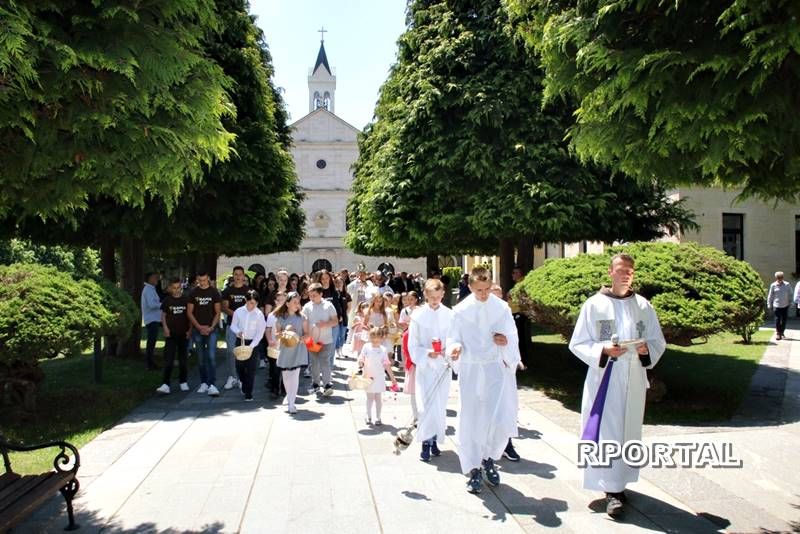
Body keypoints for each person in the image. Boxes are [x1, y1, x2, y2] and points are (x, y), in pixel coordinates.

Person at [568, 253, 666, 518]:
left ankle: (621, 482)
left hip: (633, 379)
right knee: (608, 432)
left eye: (630, 271)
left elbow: (658, 341)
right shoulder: (594, 305)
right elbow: (577, 343)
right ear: (610, 272)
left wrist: (646, 349)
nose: (626, 275)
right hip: (605, 380)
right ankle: (611, 490)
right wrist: (604, 351)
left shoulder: (643, 306)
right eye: (621, 270)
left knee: (628, 431)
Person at [447, 267, 519, 494]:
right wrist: (455, 348)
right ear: (470, 287)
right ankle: (473, 467)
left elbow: (512, 335)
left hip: (494, 368)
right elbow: (453, 337)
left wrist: (504, 340)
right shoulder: (460, 310)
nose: (484, 294)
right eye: (479, 290)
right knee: (471, 417)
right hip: (471, 369)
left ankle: (488, 457)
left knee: (493, 416)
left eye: (487, 289)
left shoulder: (501, 308)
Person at [408, 279, 454, 463]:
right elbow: (413, 343)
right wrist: (427, 353)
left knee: (439, 405)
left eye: (438, 297)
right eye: (431, 297)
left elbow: (454, 338)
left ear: (443, 295)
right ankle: (425, 442)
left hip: (442, 366)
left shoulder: (450, 315)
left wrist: (447, 350)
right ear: (425, 295)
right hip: (426, 367)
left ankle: (434, 438)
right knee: (425, 404)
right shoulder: (418, 316)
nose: (435, 300)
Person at [187, 272, 222, 396]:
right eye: (200, 280)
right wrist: (198, 327)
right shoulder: (193, 293)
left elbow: (218, 312)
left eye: (204, 280)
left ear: (208, 279)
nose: (202, 283)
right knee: (201, 358)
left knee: (211, 357)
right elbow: (190, 312)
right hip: (198, 330)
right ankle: (203, 382)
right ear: (197, 280)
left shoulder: (214, 292)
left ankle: (212, 383)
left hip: (211, 329)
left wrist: (211, 327)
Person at [274, 292, 309, 414]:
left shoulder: (302, 317)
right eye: (294, 302)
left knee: (294, 377)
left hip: (298, 349)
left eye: (298, 302)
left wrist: (301, 338)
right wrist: (286, 331)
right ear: (287, 303)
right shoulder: (280, 318)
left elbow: (307, 334)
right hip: (285, 350)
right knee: (287, 377)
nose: (297, 304)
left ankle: (291, 403)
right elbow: (277, 335)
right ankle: (289, 397)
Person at [229, 290, 266, 401]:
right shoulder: (239, 311)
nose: (252, 305)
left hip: (253, 344)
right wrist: (238, 332)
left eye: (255, 303)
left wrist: (252, 346)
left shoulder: (259, 314)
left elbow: (260, 332)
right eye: (250, 303)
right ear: (246, 301)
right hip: (240, 341)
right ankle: (242, 380)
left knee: (251, 368)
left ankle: (248, 392)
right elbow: (233, 325)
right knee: (239, 366)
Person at [156, 278, 191, 394]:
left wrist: (190, 330)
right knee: (169, 360)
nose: (176, 290)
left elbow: (190, 316)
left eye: (178, 288)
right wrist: (165, 328)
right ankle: (166, 384)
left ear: (181, 288)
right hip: (171, 334)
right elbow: (163, 316)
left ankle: (183, 381)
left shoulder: (186, 300)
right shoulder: (167, 301)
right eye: (174, 288)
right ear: (170, 288)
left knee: (183, 359)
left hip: (183, 334)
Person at [302, 283, 338, 396]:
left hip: (325, 339)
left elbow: (335, 321)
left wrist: (325, 324)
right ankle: (316, 383)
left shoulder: (328, 305)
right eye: (310, 295)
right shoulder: (307, 306)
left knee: (325, 362)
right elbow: (304, 322)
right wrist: (306, 334)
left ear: (321, 294)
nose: (312, 298)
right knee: (314, 363)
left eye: (314, 295)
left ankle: (327, 384)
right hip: (311, 340)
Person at [358, 327, 398, 425]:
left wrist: (393, 379)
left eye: (377, 338)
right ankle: (368, 416)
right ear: (370, 337)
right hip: (368, 376)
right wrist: (360, 362)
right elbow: (361, 357)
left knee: (378, 398)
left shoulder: (383, 350)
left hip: (379, 377)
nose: (375, 340)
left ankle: (378, 417)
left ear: (382, 338)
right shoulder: (366, 347)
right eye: (373, 337)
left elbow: (387, 365)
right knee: (370, 397)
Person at [221, 266, 250, 391]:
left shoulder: (249, 291)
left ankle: (242, 378)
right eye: (236, 274)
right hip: (232, 326)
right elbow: (224, 308)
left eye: (240, 274)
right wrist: (237, 315)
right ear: (233, 276)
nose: (238, 277)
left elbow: (251, 307)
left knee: (244, 352)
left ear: (244, 276)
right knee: (231, 351)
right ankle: (232, 376)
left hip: (246, 326)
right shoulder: (227, 291)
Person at [141, 272, 162, 370]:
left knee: (152, 342)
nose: (157, 279)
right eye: (155, 278)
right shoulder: (148, 290)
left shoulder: (151, 289)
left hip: (154, 318)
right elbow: (151, 304)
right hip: (151, 319)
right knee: (151, 342)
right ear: (149, 279)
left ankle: (150, 363)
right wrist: (161, 305)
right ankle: (149, 364)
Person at [767, 271, 793, 340]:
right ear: (776, 278)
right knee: (777, 319)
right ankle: (778, 333)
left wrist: (791, 302)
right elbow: (770, 295)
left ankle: (782, 331)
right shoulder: (773, 285)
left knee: (784, 320)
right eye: (778, 278)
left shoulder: (787, 284)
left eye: (781, 277)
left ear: (783, 277)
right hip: (776, 305)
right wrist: (769, 304)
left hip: (785, 305)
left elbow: (790, 294)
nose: (780, 279)